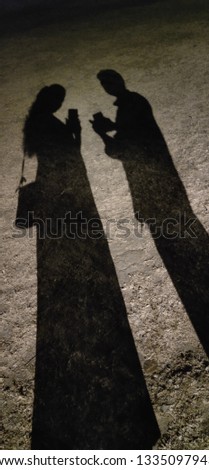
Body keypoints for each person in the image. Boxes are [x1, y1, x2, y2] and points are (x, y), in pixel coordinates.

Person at [21, 84, 159, 449]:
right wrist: (80, 132)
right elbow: (69, 151)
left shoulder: (35, 123)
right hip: (66, 187)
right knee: (75, 232)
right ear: (52, 102)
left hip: (52, 189)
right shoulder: (48, 124)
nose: (61, 103)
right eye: (59, 99)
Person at [92, 70, 209, 357]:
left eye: (109, 82)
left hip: (151, 178)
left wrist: (103, 135)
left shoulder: (130, 107)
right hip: (159, 174)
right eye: (106, 84)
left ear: (118, 82)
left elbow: (125, 148)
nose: (109, 87)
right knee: (176, 218)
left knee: (169, 226)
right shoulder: (135, 102)